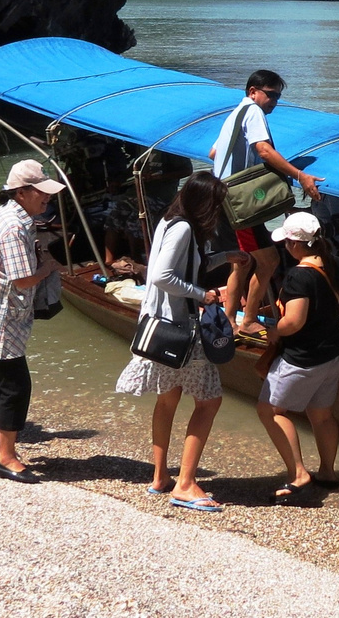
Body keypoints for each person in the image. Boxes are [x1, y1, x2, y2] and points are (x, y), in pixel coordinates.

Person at [115, 171, 233, 512]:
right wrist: (204, 295)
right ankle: (184, 484)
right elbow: (163, 276)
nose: (218, 213)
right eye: (216, 205)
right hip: (179, 328)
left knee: (168, 400)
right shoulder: (183, 229)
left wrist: (228, 258)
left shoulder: (171, 222)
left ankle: (159, 477)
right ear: (204, 204)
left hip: (161, 327)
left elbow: (185, 266)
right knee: (208, 402)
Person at [0, 160, 66, 483]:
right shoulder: (14, 226)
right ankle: (7, 456)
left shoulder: (1, 215)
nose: (46, 198)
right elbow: (22, 280)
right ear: (22, 193)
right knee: (16, 387)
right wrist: (48, 267)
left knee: (2, 385)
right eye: (41, 193)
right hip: (0, 318)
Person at [210, 69, 324, 336]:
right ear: (253, 92)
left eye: (278, 97)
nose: (274, 101)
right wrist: (300, 175)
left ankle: (229, 317)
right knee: (269, 259)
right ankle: (248, 320)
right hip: (239, 203)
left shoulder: (234, 115)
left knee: (242, 261)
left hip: (221, 198)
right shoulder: (252, 111)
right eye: (270, 95)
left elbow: (213, 152)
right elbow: (263, 149)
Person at [256, 211, 339, 505]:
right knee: (322, 415)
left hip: (302, 357)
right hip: (333, 350)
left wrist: (275, 331)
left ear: (296, 245)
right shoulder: (337, 263)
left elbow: (294, 321)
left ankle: (299, 473)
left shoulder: (299, 275)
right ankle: (327, 472)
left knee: (271, 411)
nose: (286, 247)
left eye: (287, 242)